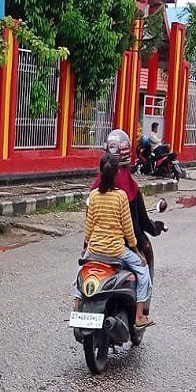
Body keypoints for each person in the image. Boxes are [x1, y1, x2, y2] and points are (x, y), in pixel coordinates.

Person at [75, 152, 153, 329]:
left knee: (80, 273)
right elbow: (128, 229)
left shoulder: (94, 195)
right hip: (116, 251)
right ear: (117, 173)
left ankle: (77, 305)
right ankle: (139, 316)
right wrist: (137, 251)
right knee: (143, 271)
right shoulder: (121, 196)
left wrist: (86, 246)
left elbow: (89, 225)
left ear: (100, 172)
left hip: (94, 250)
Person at [94, 129, 165, 273]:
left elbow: (89, 221)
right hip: (122, 244)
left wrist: (85, 246)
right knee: (145, 263)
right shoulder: (129, 188)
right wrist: (155, 229)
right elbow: (135, 224)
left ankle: (78, 294)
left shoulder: (95, 190)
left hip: (97, 244)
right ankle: (143, 296)